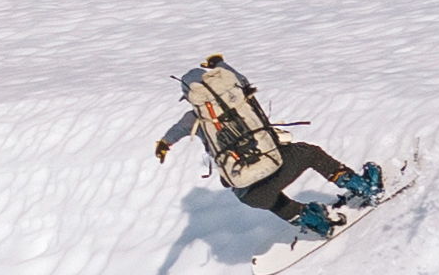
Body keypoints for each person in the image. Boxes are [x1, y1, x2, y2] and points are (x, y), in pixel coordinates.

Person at [153, 52, 383, 238]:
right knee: (310, 154)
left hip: (248, 193)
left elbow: (174, 133)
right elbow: (239, 79)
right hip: (276, 166)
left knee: (268, 197)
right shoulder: (238, 96)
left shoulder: (194, 119)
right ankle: (362, 186)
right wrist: (219, 63)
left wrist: (163, 144)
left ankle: (316, 222)